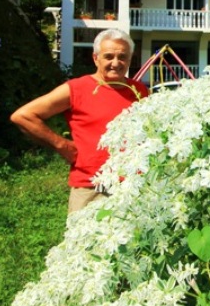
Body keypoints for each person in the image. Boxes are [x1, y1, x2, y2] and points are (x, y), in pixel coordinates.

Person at [11, 28, 148, 213]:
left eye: (122, 57)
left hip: (133, 186)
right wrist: (61, 145)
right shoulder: (77, 88)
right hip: (91, 187)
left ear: (130, 59)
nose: (116, 63)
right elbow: (23, 116)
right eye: (109, 57)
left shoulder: (140, 91)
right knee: (85, 242)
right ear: (95, 58)